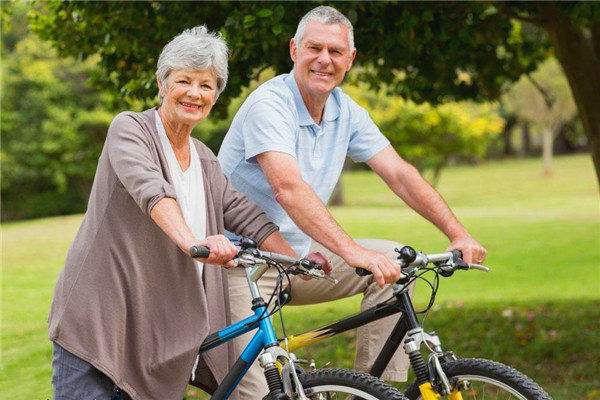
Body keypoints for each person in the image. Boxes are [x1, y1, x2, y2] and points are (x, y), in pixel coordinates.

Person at [217, 5, 487, 399]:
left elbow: (399, 173)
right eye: (314, 48)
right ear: (294, 50)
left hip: (302, 259)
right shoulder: (269, 105)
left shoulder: (346, 111)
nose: (324, 59)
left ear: (350, 60)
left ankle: (373, 392)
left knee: (398, 265)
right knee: (259, 394)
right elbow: (287, 188)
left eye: (335, 51)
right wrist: (352, 251)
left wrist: (458, 233)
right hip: (241, 267)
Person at [48, 26, 299, 400]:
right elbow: (152, 192)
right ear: (162, 84)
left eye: (207, 85)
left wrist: (292, 262)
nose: (195, 93)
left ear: (216, 95)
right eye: (184, 80)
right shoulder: (130, 130)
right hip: (99, 322)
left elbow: (246, 215)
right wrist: (194, 243)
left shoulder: (204, 159)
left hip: (154, 328)